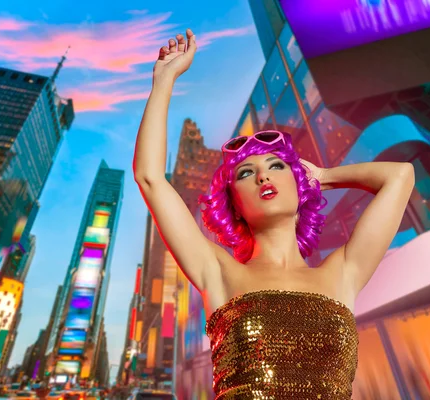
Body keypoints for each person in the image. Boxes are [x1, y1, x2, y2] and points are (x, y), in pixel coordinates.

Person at [133, 29, 415, 399]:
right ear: (235, 204)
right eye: (246, 174)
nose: (263, 174)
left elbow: (400, 176)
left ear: (299, 185)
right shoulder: (219, 272)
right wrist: (164, 80)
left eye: (277, 166)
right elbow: (150, 178)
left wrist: (322, 177)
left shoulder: (342, 272)